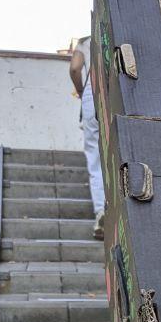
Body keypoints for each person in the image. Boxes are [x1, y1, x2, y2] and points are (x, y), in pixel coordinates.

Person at [70, 36, 105, 240]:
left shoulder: (85, 41)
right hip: (116, 90)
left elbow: (75, 69)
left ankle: (101, 211)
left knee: (95, 157)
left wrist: (82, 91)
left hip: (92, 91)